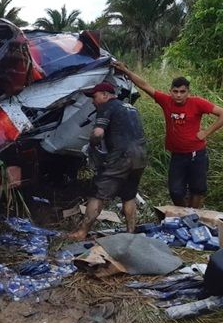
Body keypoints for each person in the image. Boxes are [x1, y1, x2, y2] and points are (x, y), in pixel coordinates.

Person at [115, 62, 223, 208]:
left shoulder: (197, 103)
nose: (178, 95)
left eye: (182, 92)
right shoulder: (166, 101)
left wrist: (206, 132)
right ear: (170, 91)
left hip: (197, 154)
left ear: (188, 92)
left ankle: (193, 217)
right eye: (175, 91)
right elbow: (145, 85)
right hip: (177, 155)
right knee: (175, 191)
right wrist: (126, 71)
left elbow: (221, 113)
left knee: (197, 189)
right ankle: (185, 214)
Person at [69, 82, 147, 240]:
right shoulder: (130, 108)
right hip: (141, 155)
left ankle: (81, 232)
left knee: (98, 193)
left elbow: (98, 133)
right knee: (129, 195)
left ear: (105, 95)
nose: (93, 101)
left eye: (95, 97)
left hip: (122, 156)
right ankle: (130, 233)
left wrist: (92, 145)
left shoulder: (107, 107)